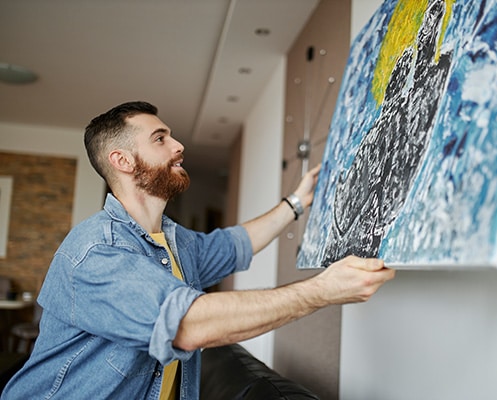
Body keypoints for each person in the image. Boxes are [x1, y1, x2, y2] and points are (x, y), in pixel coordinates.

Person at [1, 101, 395, 399]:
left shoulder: (175, 241)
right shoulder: (96, 251)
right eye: (160, 139)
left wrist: (296, 202)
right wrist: (322, 290)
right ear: (121, 161)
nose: (178, 145)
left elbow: (233, 244)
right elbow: (188, 324)